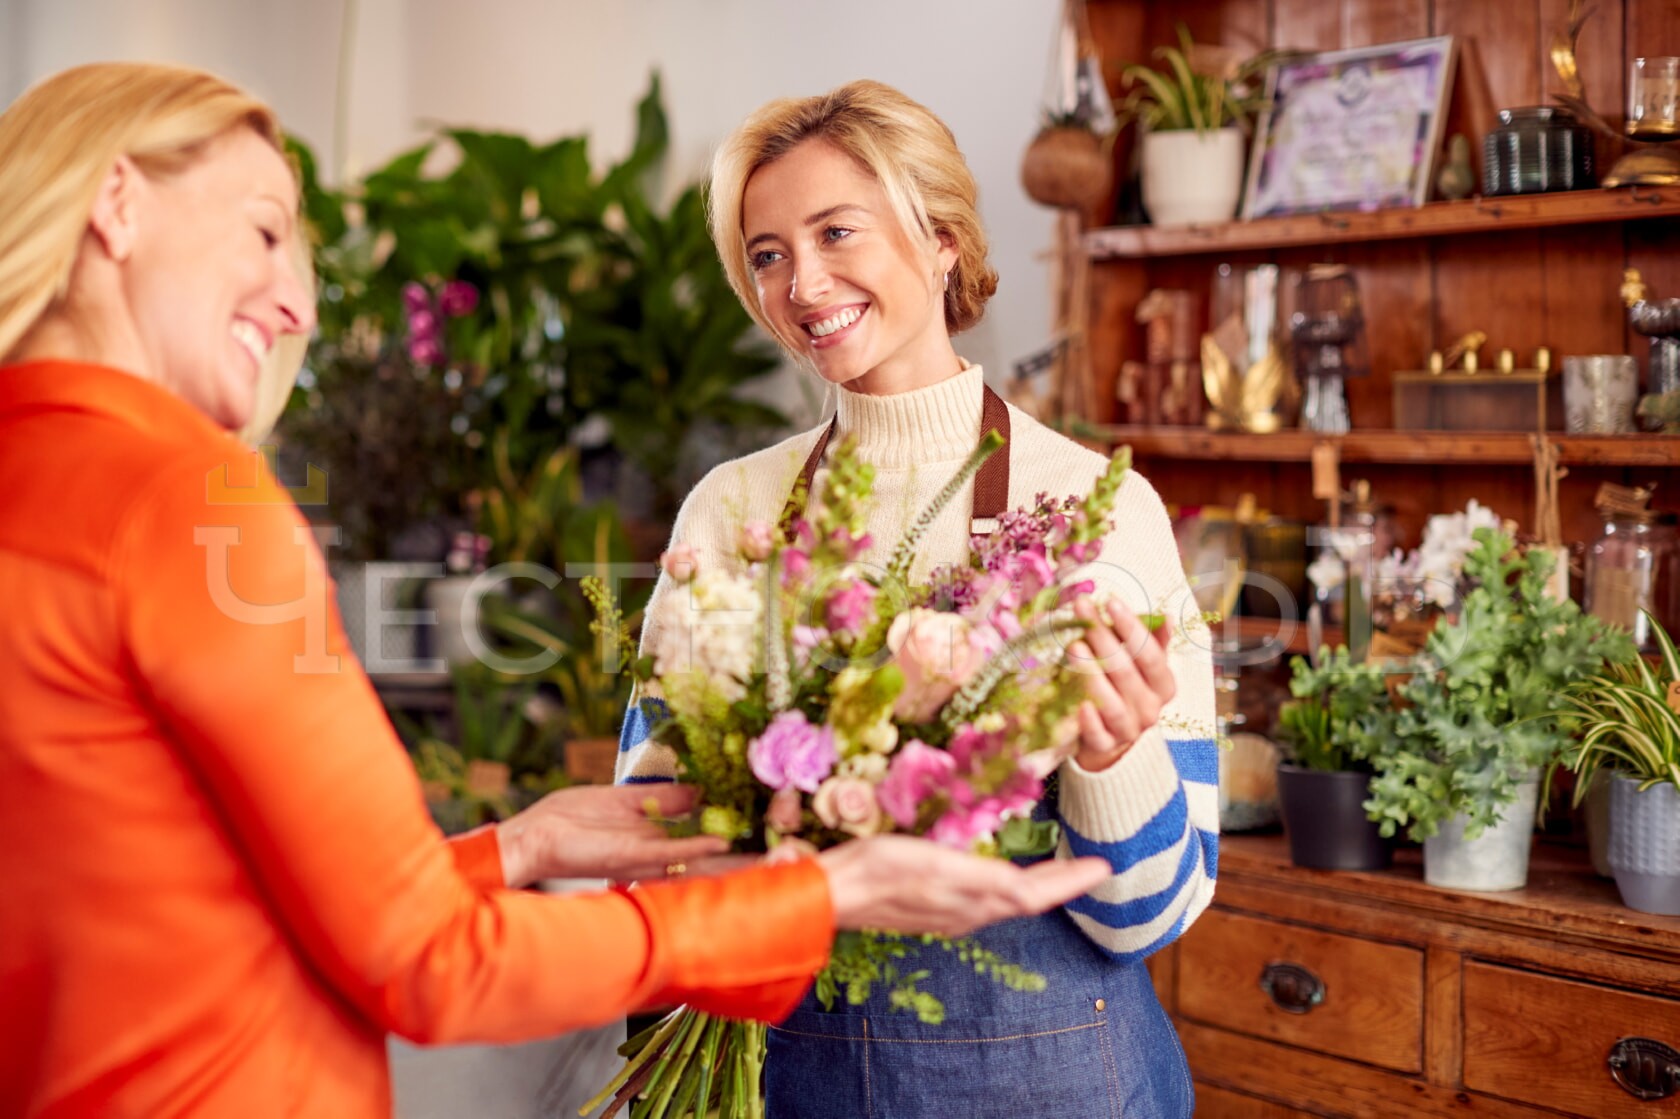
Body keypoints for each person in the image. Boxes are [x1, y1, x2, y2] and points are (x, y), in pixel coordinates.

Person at [0, 63, 1114, 1119]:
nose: (297, 302)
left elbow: (182, 899)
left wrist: (518, 848)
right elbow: (426, 961)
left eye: (837, 234)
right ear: (115, 204)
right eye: (263, 230)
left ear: (945, 242)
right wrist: (822, 899)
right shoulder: (182, 500)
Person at [617, 80, 1219, 1118]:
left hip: (1052, 1078)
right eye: (767, 254)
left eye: (835, 231)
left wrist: (1116, 760)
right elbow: (650, 838)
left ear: (941, 238)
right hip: (786, 1067)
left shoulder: (1094, 510)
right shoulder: (732, 509)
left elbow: (1152, 917)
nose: (802, 282)